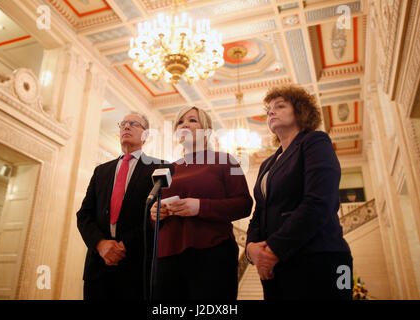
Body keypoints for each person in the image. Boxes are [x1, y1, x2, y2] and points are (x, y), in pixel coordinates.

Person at [246, 85, 353, 300]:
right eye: (269, 109)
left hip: (320, 257)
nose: (271, 112)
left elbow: (319, 202)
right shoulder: (267, 163)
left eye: (280, 106)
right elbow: (260, 212)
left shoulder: (315, 141)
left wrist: (274, 249)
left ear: (300, 111)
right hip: (275, 266)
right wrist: (251, 249)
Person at [150, 106, 253, 300]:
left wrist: (200, 207)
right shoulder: (169, 168)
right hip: (167, 257)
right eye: (180, 122)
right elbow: (155, 220)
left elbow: (244, 204)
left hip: (211, 255)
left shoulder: (228, 161)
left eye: (192, 120)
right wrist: (156, 214)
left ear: (207, 130)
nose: (184, 125)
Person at [77, 112, 168, 300]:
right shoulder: (101, 171)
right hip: (97, 268)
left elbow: (158, 218)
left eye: (134, 123)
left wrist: (125, 245)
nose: (126, 127)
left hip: (136, 269)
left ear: (146, 135)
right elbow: (84, 215)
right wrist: (101, 245)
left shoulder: (161, 168)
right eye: (123, 123)